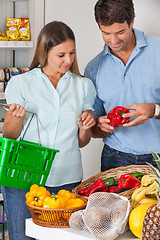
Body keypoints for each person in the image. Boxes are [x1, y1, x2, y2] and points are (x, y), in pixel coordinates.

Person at [3, 21, 96, 240]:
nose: (68, 60)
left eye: (72, 53)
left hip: (66, 178)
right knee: (21, 237)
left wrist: (85, 128)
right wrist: (16, 117)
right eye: (61, 55)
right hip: (24, 177)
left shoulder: (84, 86)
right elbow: (10, 135)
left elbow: (82, 141)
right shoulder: (21, 84)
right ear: (45, 52)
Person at [85, 0, 160, 172]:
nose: (113, 40)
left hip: (157, 158)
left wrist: (154, 110)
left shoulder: (158, 51)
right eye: (106, 33)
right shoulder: (94, 67)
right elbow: (95, 129)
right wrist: (99, 126)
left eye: (120, 32)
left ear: (131, 22)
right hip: (114, 158)